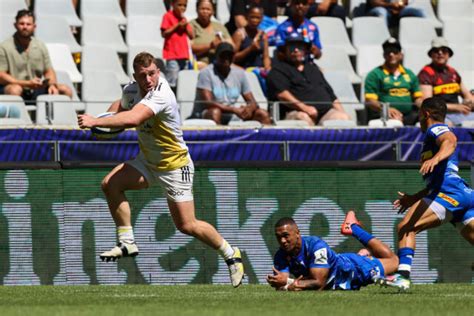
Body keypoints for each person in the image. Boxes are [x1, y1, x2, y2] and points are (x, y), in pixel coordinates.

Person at [77, 52, 244, 288]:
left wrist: (96, 122)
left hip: (175, 165)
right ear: (135, 76)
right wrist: (108, 117)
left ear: (159, 72)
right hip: (147, 161)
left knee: (187, 225)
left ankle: (231, 254)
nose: (148, 79)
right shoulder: (133, 89)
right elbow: (122, 105)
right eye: (143, 75)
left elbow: (133, 118)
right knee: (110, 184)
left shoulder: (162, 94)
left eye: (152, 73)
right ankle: (127, 242)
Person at [378, 97, 474, 291]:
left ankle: (402, 277)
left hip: (449, 193)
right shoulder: (431, 136)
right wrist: (415, 197)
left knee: (406, 227)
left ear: (426, 114)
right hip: (462, 194)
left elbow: (451, 141)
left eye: (420, 114)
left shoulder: (435, 129)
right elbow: (440, 176)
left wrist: (435, 158)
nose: (419, 118)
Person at [266, 213, 399, 291]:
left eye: (285, 235)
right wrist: (281, 284)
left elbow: (319, 283)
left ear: (297, 233)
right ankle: (365, 254)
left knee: (393, 261)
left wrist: (289, 283)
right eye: (278, 237)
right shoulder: (280, 254)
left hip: (352, 270)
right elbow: (282, 283)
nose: (282, 241)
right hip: (338, 283)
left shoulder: (316, 246)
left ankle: (352, 228)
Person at [267, 34, 350, 126]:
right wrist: (305, 108)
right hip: (296, 112)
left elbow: (332, 96)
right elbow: (282, 95)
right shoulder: (278, 70)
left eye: (300, 47)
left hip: (324, 113)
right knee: (303, 118)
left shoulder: (313, 68)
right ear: (285, 50)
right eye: (292, 47)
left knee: (342, 118)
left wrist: (343, 113)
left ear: (305, 50)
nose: (296, 50)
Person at [0, 10, 72, 102]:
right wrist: (26, 83)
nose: (25, 27)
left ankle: (62, 116)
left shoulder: (40, 46)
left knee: (65, 90)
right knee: (15, 89)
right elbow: (1, 75)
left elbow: (49, 70)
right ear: (15, 25)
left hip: (36, 89)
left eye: (28, 24)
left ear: (34, 27)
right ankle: (16, 116)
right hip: (13, 88)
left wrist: (52, 85)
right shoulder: (4, 47)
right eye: (22, 24)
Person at [191, 42, 271, 125]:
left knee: (262, 114)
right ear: (216, 56)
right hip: (208, 113)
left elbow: (252, 101)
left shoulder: (239, 73)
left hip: (233, 114)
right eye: (223, 56)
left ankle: (268, 137)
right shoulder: (206, 73)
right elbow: (208, 103)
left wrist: (249, 108)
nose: (226, 59)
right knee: (215, 112)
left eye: (229, 56)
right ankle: (217, 137)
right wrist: (233, 109)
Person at [364, 38, 423, 125]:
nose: (391, 54)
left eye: (395, 51)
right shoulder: (375, 74)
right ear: (384, 55)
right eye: (388, 52)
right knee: (395, 122)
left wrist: (426, 107)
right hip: (384, 115)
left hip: (410, 115)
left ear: (401, 55)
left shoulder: (410, 74)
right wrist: (386, 109)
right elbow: (370, 100)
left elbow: (418, 98)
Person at [418, 38, 474, 126]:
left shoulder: (453, 72)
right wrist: (456, 107)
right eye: (436, 51)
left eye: (444, 50)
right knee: (447, 127)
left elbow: (468, 96)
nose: (440, 53)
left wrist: (470, 103)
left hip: (459, 114)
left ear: (448, 54)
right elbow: (428, 103)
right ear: (431, 54)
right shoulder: (426, 73)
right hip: (439, 115)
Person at [161, 0, 194, 91]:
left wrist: (186, 25)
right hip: (172, 55)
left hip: (184, 55)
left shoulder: (184, 19)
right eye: (179, 5)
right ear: (172, 4)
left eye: (184, 6)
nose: (182, 8)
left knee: (183, 80)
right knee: (172, 80)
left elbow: (192, 36)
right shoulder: (167, 16)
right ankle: (171, 99)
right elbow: (164, 33)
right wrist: (177, 25)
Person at [190, 0, 234, 69]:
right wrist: (210, 46)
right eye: (202, 9)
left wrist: (222, 43)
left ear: (213, 11)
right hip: (200, 63)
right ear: (197, 10)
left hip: (221, 62)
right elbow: (189, 48)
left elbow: (232, 46)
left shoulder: (219, 26)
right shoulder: (191, 25)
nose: (205, 11)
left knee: (242, 72)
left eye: (208, 9)